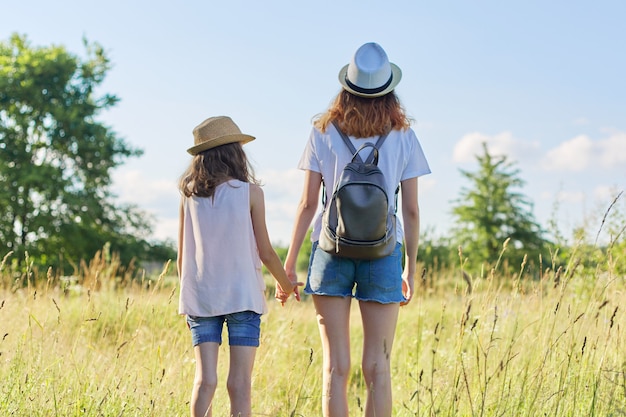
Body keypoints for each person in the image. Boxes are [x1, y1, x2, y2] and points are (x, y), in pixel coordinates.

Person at [280, 42, 431, 417]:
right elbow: (410, 210)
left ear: (345, 87)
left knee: (335, 366)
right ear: (389, 91)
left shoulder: (322, 132)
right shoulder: (404, 136)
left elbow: (307, 205)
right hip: (384, 253)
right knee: (378, 366)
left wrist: (289, 264)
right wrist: (410, 266)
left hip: (329, 251)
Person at [177, 116, 302, 417]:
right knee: (240, 384)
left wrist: (188, 301)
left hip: (202, 299)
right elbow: (266, 253)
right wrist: (286, 286)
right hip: (244, 297)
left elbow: (182, 257)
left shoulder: (188, 195)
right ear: (235, 153)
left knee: (205, 380)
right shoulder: (250, 193)